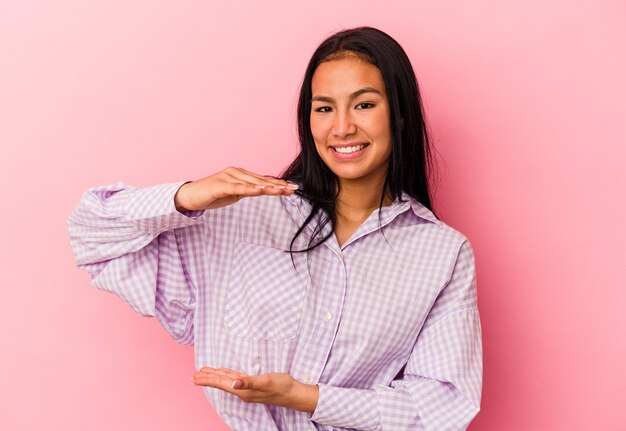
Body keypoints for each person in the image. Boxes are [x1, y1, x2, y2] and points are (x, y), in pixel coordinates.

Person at [68, 26, 482, 431]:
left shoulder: (442, 253)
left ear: (402, 115)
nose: (341, 128)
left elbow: (441, 409)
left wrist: (307, 397)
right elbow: (91, 235)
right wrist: (189, 196)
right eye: (323, 108)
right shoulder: (240, 214)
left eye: (363, 105)